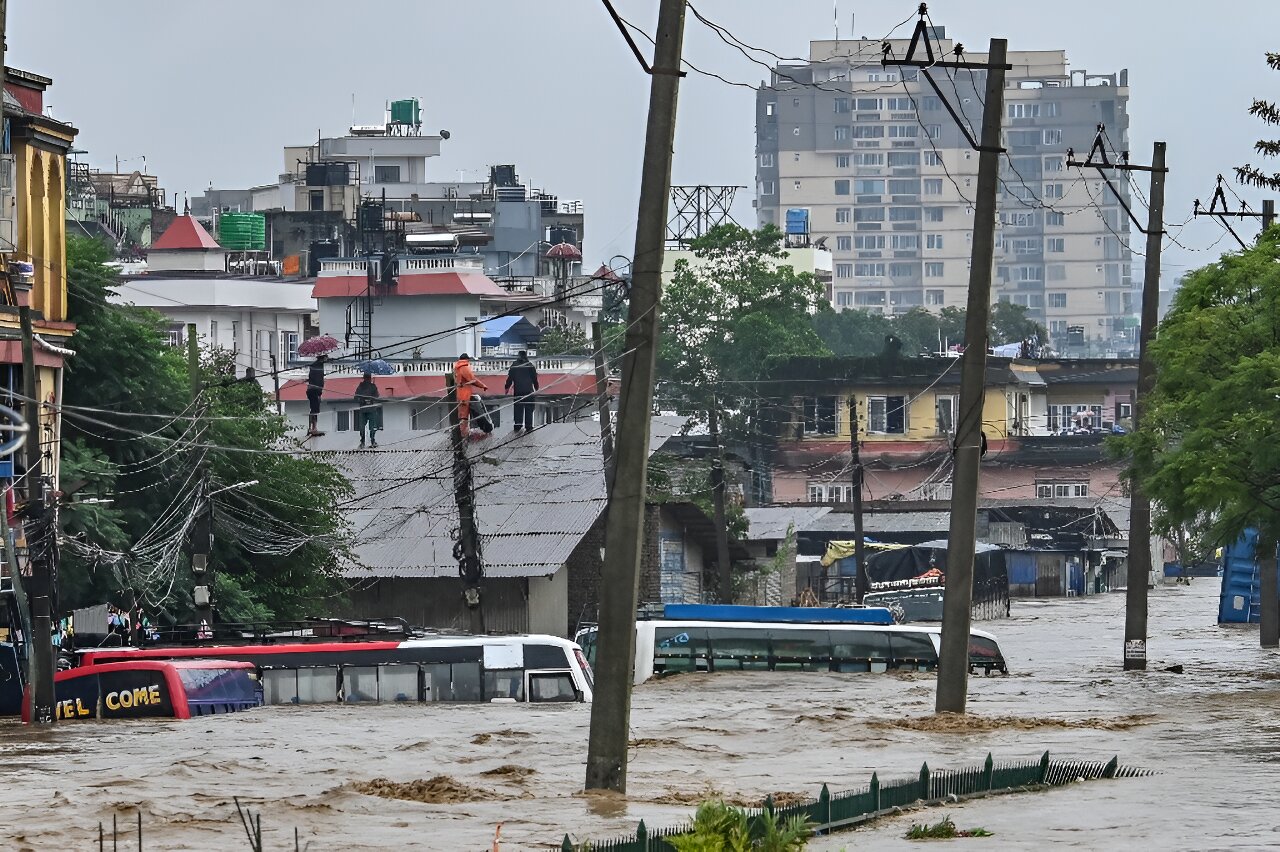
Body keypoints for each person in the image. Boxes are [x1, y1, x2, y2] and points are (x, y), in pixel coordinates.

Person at [453, 353, 488, 439]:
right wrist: (483, 385)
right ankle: (464, 435)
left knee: (462, 415)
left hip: (460, 393)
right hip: (465, 394)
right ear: (467, 359)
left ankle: (463, 433)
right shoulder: (464, 367)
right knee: (464, 416)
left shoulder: (456, 367)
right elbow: (473, 380)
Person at [504, 350, 540, 434]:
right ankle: (529, 426)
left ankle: (518, 424)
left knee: (518, 408)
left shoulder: (514, 366)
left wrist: (507, 387)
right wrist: (536, 387)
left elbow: (510, 378)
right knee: (529, 408)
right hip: (529, 391)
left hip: (518, 391)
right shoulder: (530, 365)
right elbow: (534, 378)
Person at [354, 371, 381, 448]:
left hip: (366, 409)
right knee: (369, 426)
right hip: (369, 409)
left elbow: (356, 398)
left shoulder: (362, 387)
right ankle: (369, 441)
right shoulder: (369, 387)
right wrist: (369, 400)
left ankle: (365, 442)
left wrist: (365, 400)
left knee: (366, 426)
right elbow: (377, 396)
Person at [306, 354, 328, 437]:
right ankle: (313, 428)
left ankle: (312, 427)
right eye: (326, 357)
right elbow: (317, 379)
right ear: (323, 358)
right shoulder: (318, 366)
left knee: (314, 409)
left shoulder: (316, 365)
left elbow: (312, 377)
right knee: (315, 409)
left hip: (313, 390)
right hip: (314, 390)